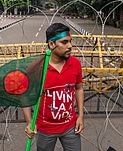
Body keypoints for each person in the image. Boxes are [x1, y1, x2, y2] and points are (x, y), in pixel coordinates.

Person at [23, 23, 84, 151]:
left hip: (70, 127)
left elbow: (78, 88)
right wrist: (30, 123)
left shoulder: (75, 64)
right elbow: (26, 96)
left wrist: (80, 116)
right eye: (64, 42)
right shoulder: (37, 68)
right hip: (45, 129)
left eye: (70, 42)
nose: (70, 46)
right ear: (51, 44)